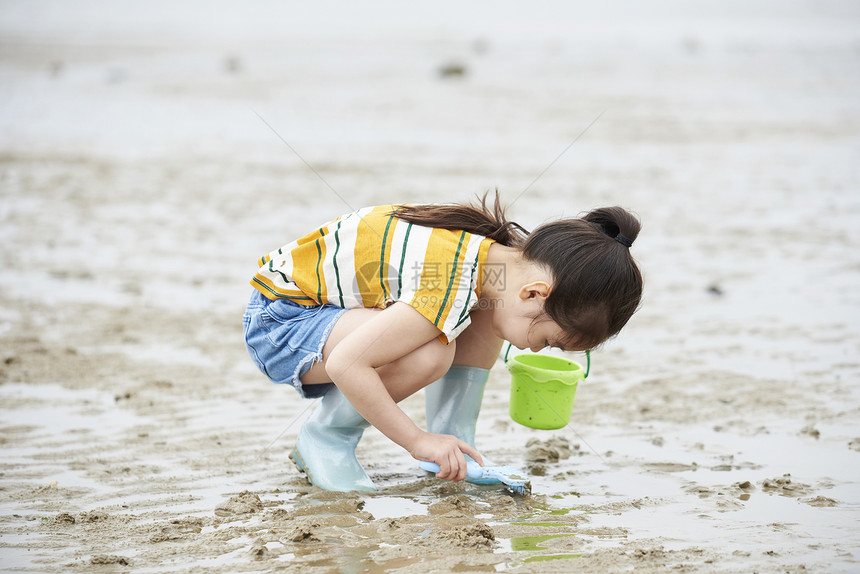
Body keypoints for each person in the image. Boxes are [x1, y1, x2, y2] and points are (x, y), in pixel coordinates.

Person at [242, 192, 642, 491]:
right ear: (535, 293)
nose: (534, 349)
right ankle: (327, 438)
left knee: (483, 317)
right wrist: (417, 442)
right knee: (432, 351)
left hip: (316, 316)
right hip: (281, 323)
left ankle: (457, 442)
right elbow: (347, 363)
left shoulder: (494, 265)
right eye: (548, 340)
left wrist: (448, 447)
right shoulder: (450, 280)